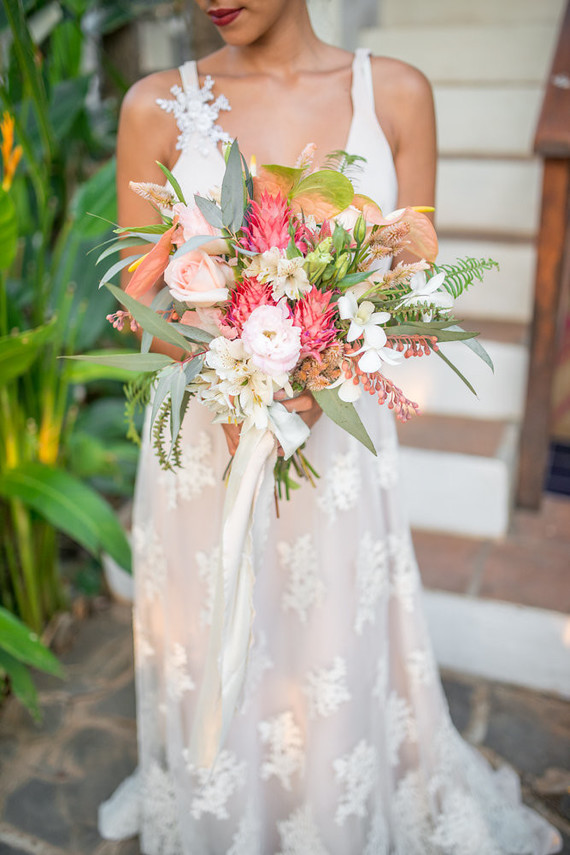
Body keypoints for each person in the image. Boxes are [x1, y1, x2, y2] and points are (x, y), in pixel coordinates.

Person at [98, 2, 563, 852]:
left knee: (330, 644)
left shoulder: (395, 96)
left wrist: (314, 370)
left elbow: (413, 292)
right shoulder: (153, 106)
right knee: (218, 639)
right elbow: (140, 300)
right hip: (210, 444)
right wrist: (237, 368)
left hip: (338, 446)